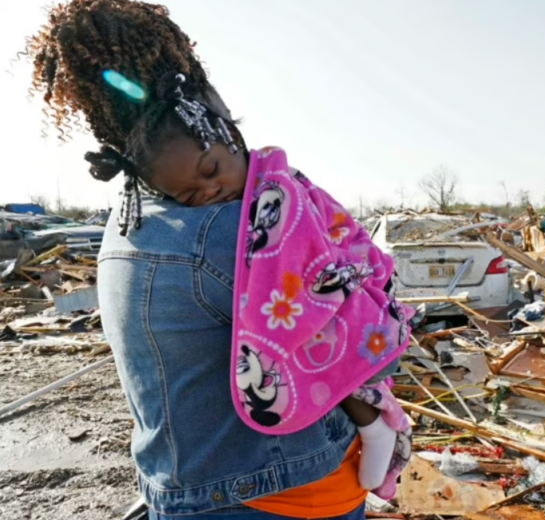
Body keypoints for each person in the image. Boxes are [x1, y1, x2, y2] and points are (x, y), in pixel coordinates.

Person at [24, 1, 403, 518]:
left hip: (183, 487)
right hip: (280, 495)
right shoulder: (237, 229)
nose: (207, 190)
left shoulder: (129, 219)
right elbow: (352, 339)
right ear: (206, 106)